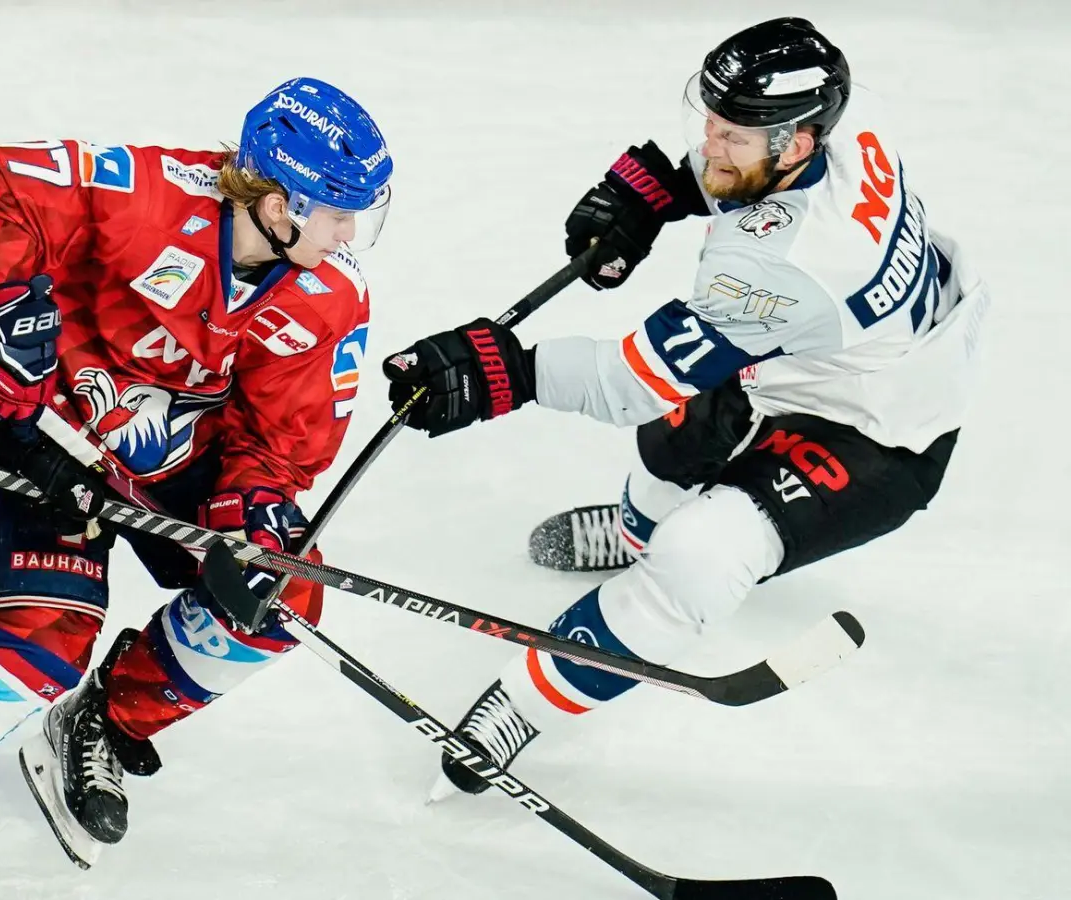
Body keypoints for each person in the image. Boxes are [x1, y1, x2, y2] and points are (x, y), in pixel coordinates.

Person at [378, 18, 987, 800]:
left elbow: (626, 379)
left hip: (881, 436)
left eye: (731, 135)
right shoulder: (844, 118)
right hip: (820, 356)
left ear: (798, 143)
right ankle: (635, 530)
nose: (710, 140)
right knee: (676, 438)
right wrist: (661, 192)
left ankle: (523, 705)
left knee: (700, 555)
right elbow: (733, 191)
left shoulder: (782, 272)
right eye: (712, 121)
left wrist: (506, 373)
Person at [0, 77, 392, 898]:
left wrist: (255, 515)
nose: (348, 233)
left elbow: (276, 446)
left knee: (282, 595)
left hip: (169, 472)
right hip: (39, 441)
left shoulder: (330, 298)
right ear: (274, 201)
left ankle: (105, 721)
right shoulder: (147, 195)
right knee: (38, 643)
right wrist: (14, 316)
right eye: (335, 211)